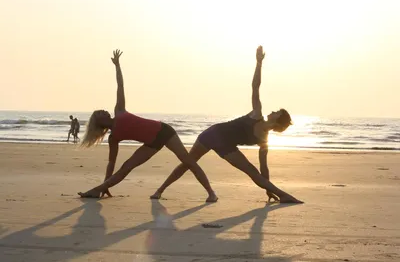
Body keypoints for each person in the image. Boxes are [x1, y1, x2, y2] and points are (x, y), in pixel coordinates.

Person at [150, 46, 302, 204]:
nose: (273, 111)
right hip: (213, 134)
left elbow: (264, 168)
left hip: (227, 147)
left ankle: (282, 194)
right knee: (188, 163)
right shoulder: (256, 114)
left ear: (278, 120)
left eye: (277, 112)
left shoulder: (264, 139)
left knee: (252, 171)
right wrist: (258, 63)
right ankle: (160, 190)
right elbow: (255, 87)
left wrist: (268, 188)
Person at [77, 49, 218, 202]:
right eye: (99, 113)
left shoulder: (119, 111)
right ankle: (99, 189)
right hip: (151, 143)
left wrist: (117, 66)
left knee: (188, 161)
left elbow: (120, 86)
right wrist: (106, 183)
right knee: (126, 167)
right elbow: (111, 162)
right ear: (99, 123)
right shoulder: (113, 138)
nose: (103, 111)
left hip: (164, 131)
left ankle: (211, 193)